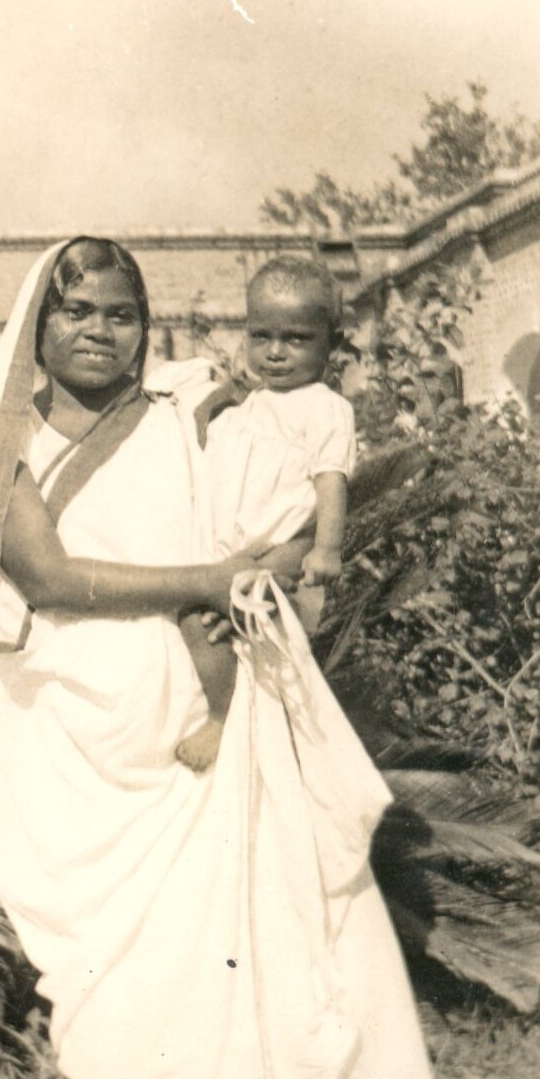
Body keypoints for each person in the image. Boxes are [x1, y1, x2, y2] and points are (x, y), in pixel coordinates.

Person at [0, 236, 441, 1079]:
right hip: (77, 736)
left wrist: (268, 567)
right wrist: (207, 578)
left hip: (207, 712)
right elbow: (45, 575)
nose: (100, 331)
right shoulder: (1, 438)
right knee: (115, 950)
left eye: (121, 314)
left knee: (249, 910)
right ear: (37, 325)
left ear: (148, 328)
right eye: (78, 311)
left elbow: (300, 500)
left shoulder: (192, 415)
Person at [174, 256, 355, 774]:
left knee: (244, 622)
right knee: (196, 619)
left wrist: (327, 548)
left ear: (332, 346)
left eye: (296, 339)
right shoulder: (247, 405)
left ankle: (224, 716)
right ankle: (223, 708)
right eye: (261, 336)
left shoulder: (326, 407)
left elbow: (330, 478)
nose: (275, 353)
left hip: (278, 548)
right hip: (223, 544)